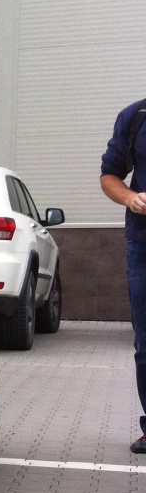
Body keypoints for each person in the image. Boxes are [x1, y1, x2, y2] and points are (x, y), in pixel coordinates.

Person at [100, 98, 146, 453]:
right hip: (143, 244)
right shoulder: (136, 116)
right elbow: (110, 175)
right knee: (145, 344)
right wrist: (130, 197)